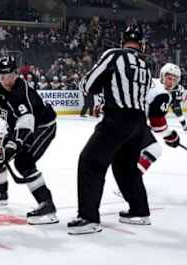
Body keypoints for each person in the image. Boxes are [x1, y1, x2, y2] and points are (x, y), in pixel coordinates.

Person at [68, 25, 153, 234]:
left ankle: (88, 218)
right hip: (139, 121)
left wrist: (91, 88)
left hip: (118, 119)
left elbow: (88, 84)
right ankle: (139, 211)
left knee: (90, 162)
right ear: (141, 44)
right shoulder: (145, 64)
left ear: (123, 41)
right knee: (126, 167)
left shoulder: (114, 55)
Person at [0, 56, 58, 225]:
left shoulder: (21, 93)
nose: (5, 80)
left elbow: (26, 122)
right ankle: (0, 193)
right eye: (1, 76)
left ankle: (47, 206)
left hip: (42, 127)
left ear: (16, 74)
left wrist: (14, 144)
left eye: (9, 76)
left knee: (23, 162)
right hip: (18, 126)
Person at [161, 63, 187, 131]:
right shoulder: (156, 87)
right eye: (169, 78)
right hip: (163, 100)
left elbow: (178, 99)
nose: (171, 82)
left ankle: (183, 124)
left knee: (178, 112)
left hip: (173, 101)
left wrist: (175, 102)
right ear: (162, 76)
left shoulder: (179, 89)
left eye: (174, 79)